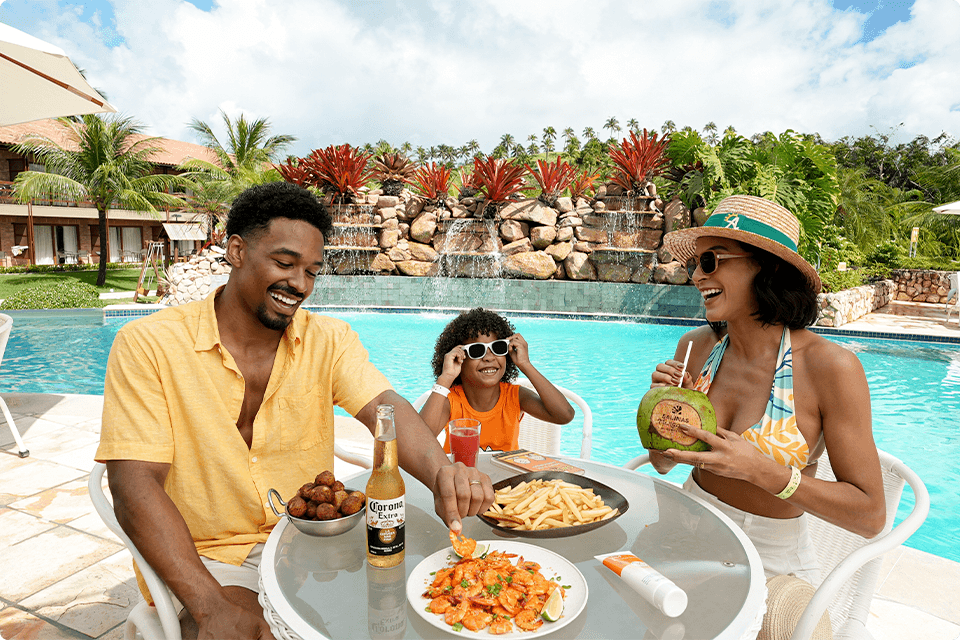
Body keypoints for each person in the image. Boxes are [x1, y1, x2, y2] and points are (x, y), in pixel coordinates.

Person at [95, 182, 494, 640]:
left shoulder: (329, 339)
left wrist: (443, 473)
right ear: (236, 251)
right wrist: (209, 606)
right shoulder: (149, 345)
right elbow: (133, 485)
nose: (300, 285)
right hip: (211, 558)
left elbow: (384, 406)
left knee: (443, 604)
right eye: (285, 264)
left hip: (314, 544)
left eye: (312, 271)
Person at [647, 194, 885, 584]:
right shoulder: (697, 347)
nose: (696, 277)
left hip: (769, 556)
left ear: (767, 267)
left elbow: (870, 516)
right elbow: (663, 464)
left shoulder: (829, 368)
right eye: (695, 264)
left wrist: (762, 471)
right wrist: (662, 415)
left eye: (711, 261)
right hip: (686, 523)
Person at [419, 308, 575, 452]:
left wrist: (525, 364)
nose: (489, 357)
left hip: (506, 474)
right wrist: (445, 378)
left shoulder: (515, 397)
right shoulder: (451, 401)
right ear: (459, 358)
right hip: (460, 474)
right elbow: (419, 441)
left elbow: (565, 415)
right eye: (477, 350)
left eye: (498, 347)